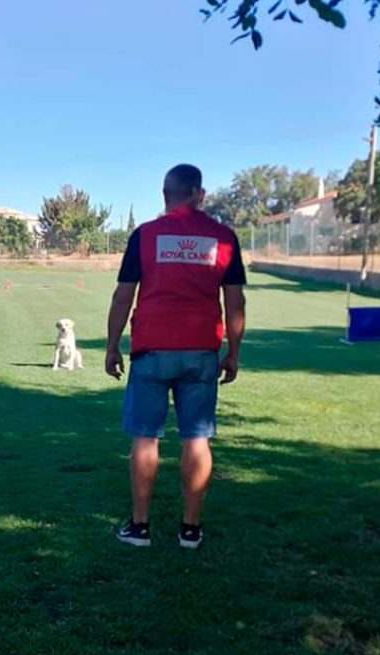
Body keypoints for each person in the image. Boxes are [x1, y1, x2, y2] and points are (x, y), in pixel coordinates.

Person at [105, 164, 246, 549]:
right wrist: (233, 352)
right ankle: (190, 529)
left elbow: (123, 295)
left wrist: (112, 345)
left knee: (145, 439)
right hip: (201, 352)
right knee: (196, 440)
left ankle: (140, 527)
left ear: (165, 194)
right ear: (200, 194)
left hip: (151, 350)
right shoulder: (224, 238)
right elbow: (234, 302)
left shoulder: (145, 236)